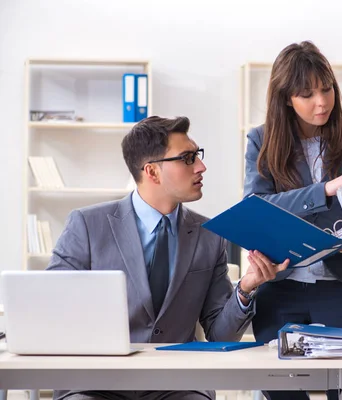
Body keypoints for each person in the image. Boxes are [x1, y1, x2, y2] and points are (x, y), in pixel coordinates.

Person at [48, 116, 289, 400]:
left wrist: (246, 288)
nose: (201, 166)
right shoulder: (87, 225)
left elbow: (219, 335)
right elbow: (54, 311)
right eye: (188, 158)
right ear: (152, 172)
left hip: (177, 385)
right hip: (96, 383)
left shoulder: (210, 235)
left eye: (197, 156)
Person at [243, 41, 342, 400]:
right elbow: (256, 209)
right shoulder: (261, 140)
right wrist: (325, 189)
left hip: (340, 285)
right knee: (281, 390)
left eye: (327, 88)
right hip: (280, 284)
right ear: (287, 98)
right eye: (307, 94)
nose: (322, 102)